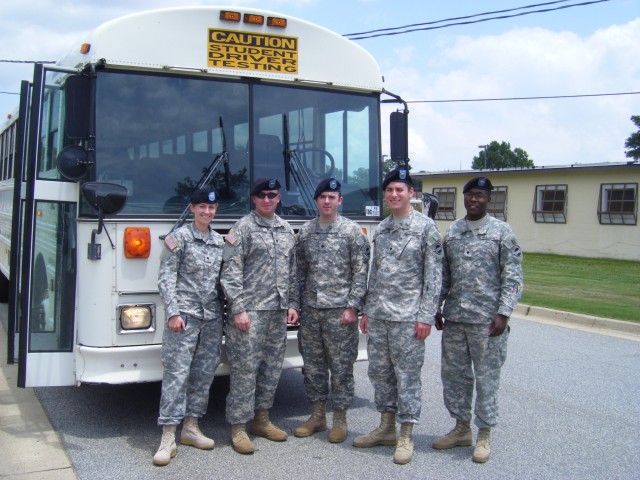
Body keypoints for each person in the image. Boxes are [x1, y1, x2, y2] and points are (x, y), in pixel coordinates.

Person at [353, 167, 443, 465]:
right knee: (380, 373)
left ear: (411, 194)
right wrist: (366, 309)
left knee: (407, 377)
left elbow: (433, 275)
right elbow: (374, 273)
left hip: (409, 318)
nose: (393, 195)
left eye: (399, 190)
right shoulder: (382, 228)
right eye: (389, 190)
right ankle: (386, 427)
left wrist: (426, 316)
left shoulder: (426, 228)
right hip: (379, 316)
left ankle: (405, 434)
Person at [431, 176, 523, 463]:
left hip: (488, 322)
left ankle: (484, 434)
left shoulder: (502, 233)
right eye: (469, 195)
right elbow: (445, 274)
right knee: (455, 377)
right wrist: (437, 306)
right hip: (456, 319)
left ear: (489, 199)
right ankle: (461, 428)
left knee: (487, 379)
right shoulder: (455, 231)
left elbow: (514, 277)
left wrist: (503, 312)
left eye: (480, 195)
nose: (473, 200)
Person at [220, 177, 300, 454]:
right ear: (254, 199)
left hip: (277, 313)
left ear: (279, 198)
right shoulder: (242, 228)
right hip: (250, 313)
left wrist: (292, 303)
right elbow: (230, 272)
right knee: (245, 371)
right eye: (262, 195)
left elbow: (292, 272)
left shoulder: (286, 229)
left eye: (273, 195)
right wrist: (238, 308)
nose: (267, 199)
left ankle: (262, 420)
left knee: (271, 369)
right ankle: (239, 427)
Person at [293, 178, 370, 443]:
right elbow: (298, 273)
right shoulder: (305, 232)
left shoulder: (351, 233)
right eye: (322, 197)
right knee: (312, 366)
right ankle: (317, 416)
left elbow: (361, 273)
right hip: (311, 311)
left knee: (340, 367)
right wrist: (295, 305)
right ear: (316, 201)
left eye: (332, 197)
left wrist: (353, 307)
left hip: (340, 313)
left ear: (340, 201)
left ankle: (340, 419)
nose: (327, 201)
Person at [154, 188, 225, 466]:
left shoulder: (220, 242)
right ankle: (167, 436)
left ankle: (191, 427)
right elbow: (166, 276)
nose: (207, 212)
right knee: (177, 374)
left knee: (203, 374)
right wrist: (173, 312)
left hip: (211, 319)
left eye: (212, 208)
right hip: (183, 318)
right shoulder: (178, 238)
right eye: (202, 208)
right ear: (193, 208)